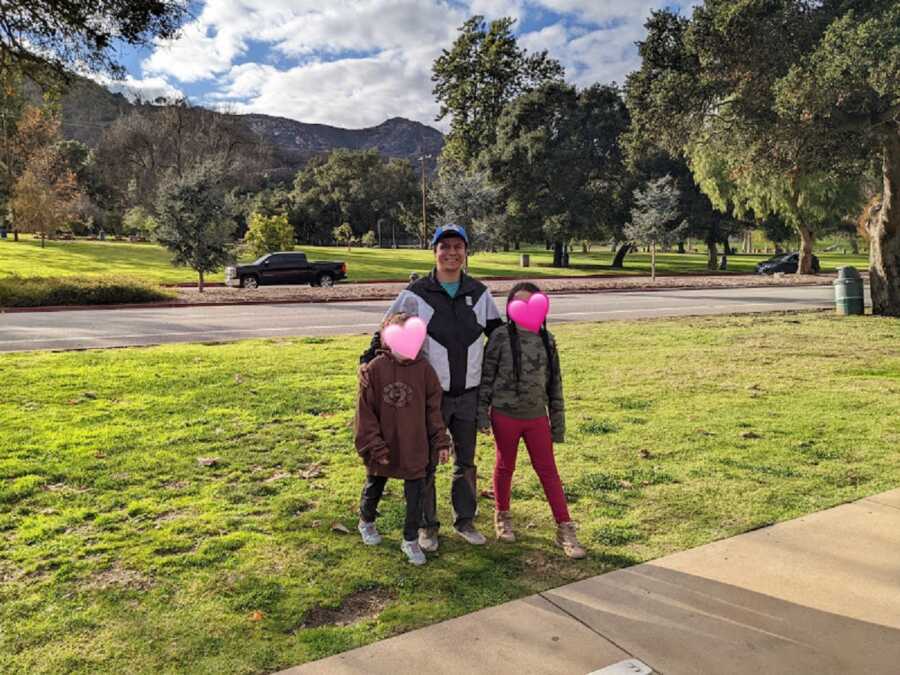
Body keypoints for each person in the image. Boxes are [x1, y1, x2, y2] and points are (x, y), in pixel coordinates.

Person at [361, 224, 503, 550]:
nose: (451, 253)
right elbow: (386, 330)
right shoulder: (416, 293)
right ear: (434, 251)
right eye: (445, 247)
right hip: (428, 397)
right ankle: (427, 526)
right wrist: (367, 362)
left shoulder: (478, 294)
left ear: (466, 252)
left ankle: (464, 520)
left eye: (458, 247)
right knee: (425, 463)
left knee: (465, 460)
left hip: (468, 392)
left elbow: (497, 335)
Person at [477, 282, 586, 559]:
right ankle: (502, 516)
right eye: (520, 304)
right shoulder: (500, 337)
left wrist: (557, 424)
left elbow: (555, 385)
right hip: (505, 416)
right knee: (505, 466)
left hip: (536, 417)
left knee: (548, 471)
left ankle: (565, 527)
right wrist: (481, 414)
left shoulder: (547, 340)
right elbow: (486, 379)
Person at [355, 312, 452, 565]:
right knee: (374, 486)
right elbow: (365, 413)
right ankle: (366, 521)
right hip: (383, 445)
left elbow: (434, 411)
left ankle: (410, 539)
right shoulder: (374, 370)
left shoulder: (425, 372)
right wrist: (375, 445)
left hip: (414, 446)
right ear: (386, 339)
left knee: (415, 495)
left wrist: (441, 442)